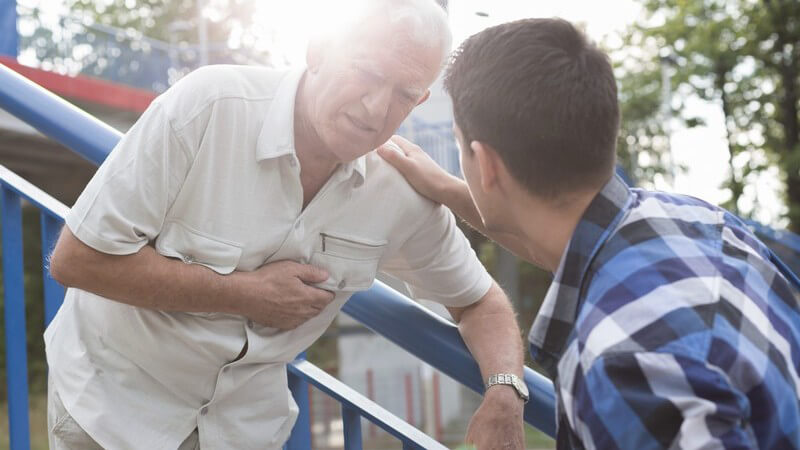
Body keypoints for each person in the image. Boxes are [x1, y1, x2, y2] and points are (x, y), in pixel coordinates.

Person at [45, 1, 528, 448]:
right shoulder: (209, 106)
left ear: (419, 101)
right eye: (367, 73)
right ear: (318, 49)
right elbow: (78, 260)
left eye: (402, 95)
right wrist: (245, 293)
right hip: (111, 414)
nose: (375, 109)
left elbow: (481, 303)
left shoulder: (400, 190)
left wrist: (505, 392)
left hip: (243, 432)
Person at [379, 17, 800, 449]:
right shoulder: (703, 222)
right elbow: (573, 241)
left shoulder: (622, 365)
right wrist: (450, 188)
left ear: (485, 164)